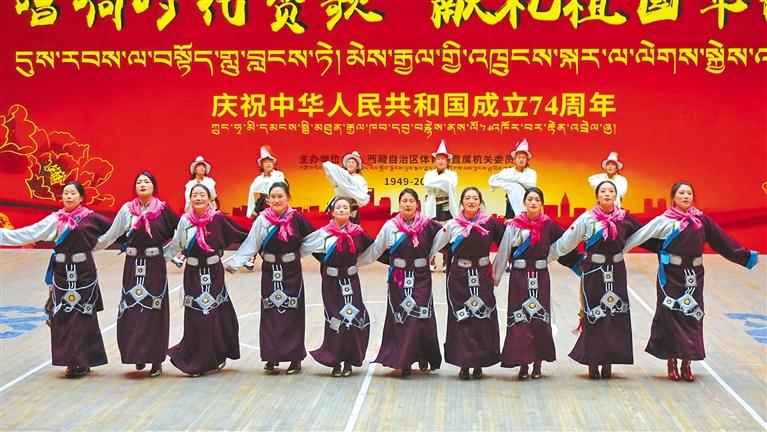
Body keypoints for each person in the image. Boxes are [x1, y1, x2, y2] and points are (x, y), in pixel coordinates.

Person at [623, 181, 759, 381]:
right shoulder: (664, 221)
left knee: (692, 315)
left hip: (693, 277)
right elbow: (639, 236)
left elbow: (722, 241)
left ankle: (687, 363)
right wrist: (617, 253)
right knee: (670, 314)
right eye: (682, 193)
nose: (686, 196)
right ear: (673, 198)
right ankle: (671, 361)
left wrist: (744, 257)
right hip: (670, 276)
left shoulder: (701, 220)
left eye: (689, 193)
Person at [0, 181, 111, 378]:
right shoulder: (54, 220)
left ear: (81, 197)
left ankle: (83, 361)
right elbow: (28, 234)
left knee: (83, 315)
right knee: (63, 315)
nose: (68, 196)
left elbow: (113, 233)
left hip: (84, 273)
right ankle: (71, 361)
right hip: (61, 274)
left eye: (73, 193)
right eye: (65, 193)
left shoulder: (91, 218)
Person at [548, 180, 645, 379]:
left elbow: (644, 235)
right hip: (593, 272)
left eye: (611, 191)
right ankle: (592, 362)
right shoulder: (587, 219)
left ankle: (609, 361)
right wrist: (545, 257)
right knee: (594, 314)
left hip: (617, 271)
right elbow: (566, 242)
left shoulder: (624, 218)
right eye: (603, 191)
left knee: (615, 314)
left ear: (616, 196)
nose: (607, 194)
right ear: (597, 196)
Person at [492, 187, 583, 380]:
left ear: (541, 203)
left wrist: (582, 264)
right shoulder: (514, 225)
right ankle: (522, 363)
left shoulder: (549, 225)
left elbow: (565, 245)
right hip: (518, 277)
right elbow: (504, 251)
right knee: (520, 318)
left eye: (537, 199)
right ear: (524, 203)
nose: (533, 202)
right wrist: (493, 278)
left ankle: (538, 363)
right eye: (530, 199)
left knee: (540, 319)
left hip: (541, 277)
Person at [95, 172, 179, 377]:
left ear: (154, 187)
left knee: (154, 310)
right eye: (139, 182)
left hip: (155, 265)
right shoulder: (127, 210)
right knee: (131, 309)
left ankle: (156, 359)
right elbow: (111, 235)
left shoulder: (163, 209)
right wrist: (89, 248)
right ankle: (137, 354)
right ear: (134, 188)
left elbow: (181, 231)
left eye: (147, 181)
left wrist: (167, 253)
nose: (143, 184)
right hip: (132, 265)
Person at [226, 182, 315, 375]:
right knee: (271, 312)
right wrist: (235, 263)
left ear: (288, 198)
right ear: (268, 200)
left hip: (292, 272)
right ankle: (271, 356)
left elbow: (312, 240)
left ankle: (294, 358)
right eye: (273, 197)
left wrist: (326, 259)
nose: (276, 200)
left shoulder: (297, 218)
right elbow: (252, 243)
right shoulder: (262, 220)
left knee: (292, 313)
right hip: (270, 271)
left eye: (280, 196)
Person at [164, 184, 248, 377]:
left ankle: (218, 355)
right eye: (195, 195)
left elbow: (245, 237)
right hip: (192, 273)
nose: (198, 198)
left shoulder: (218, 220)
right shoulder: (185, 221)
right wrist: (159, 259)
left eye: (202, 194)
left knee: (214, 314)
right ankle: (195, 360)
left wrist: (240, 260)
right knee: (196, 316)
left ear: (210, 199)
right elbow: (176, 245)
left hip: (214, 272)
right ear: (190, 199)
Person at [357, 188, 443, 376]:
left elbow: (445, 238)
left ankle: (424, 356)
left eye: (411, 201)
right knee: (402, 317)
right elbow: (376, 249)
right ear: (399, 204)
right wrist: (355, 263)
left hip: (421, 278)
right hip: (398, 280)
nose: (408, 204)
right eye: (404, 201)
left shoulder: (428, 225)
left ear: (417, 204)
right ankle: (404, 360)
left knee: (421, 316)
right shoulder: (390, 226)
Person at [431, 187, 506, 379]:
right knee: (461, 318)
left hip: (482, 276)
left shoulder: (490, 223)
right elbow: (435, 244)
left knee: (482, 317)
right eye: (467, 198)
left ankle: (479, 362)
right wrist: (424, 263)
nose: (471, 201)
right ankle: (463, 363)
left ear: (480, 202)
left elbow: (507, 242)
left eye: (475, 198)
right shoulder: (452, 225)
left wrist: (497, 273)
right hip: (459, 278)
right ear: (462, 203)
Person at [300, 197, 373, 377]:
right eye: (338, 207)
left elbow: (373, 249)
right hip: (331, 284)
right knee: (335, 321)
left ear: (351, 212)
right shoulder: (323, 234)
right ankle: (335, 361)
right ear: (332, 212)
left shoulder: (358, 233)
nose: (341, 210)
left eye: (345, 207)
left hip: (351, 281)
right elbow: (305, 247)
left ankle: (349, 361)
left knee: (352, 318)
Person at [243, 145, 286, 271]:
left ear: (273, 163)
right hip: (263, 205)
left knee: (278, 232)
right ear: (261, 165)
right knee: (255, 231)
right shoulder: (258, 179)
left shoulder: (278, 175)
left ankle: (280, 258)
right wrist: (252, 209)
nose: (268, 163)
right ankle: (250, 257)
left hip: (276, 206)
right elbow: (252, 192)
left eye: (269, 161)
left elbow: (277, 187)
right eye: (265, 162)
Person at [423, 139, 459, 272]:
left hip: (447, 207)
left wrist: (437, 183)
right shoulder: (429, 174)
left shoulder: (453, 175)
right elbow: (427, 184)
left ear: (447, 161)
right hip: (433, 206)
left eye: (443, 158)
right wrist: (443, 183)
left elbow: (451, 185)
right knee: (431, 234)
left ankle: (446, 262)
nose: (440, 161)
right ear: (434, 161)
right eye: (438, 158)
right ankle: (431, 261)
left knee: (447, 234)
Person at [489, 139, 537, 219]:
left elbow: (531, 185)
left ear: (527, 160)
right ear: (514, 160)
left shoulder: (531, 173)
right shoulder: (508, 171)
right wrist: (515, 182)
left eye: (523, 157)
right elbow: (494, 179)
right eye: (519, 157)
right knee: (510, 223)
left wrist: (510, 181)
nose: (521, 159)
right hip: (511, 203)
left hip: (527, 203)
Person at [322, 151, 370, 223]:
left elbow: (362, 194)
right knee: (336, 228)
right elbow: (330, 171)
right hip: (338, 207)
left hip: (352, 210)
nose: (350, 164)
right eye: (349, 162)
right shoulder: (340, 176)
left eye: (353, 162)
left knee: (352, 228)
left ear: (357, 166)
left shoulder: (360, 180)